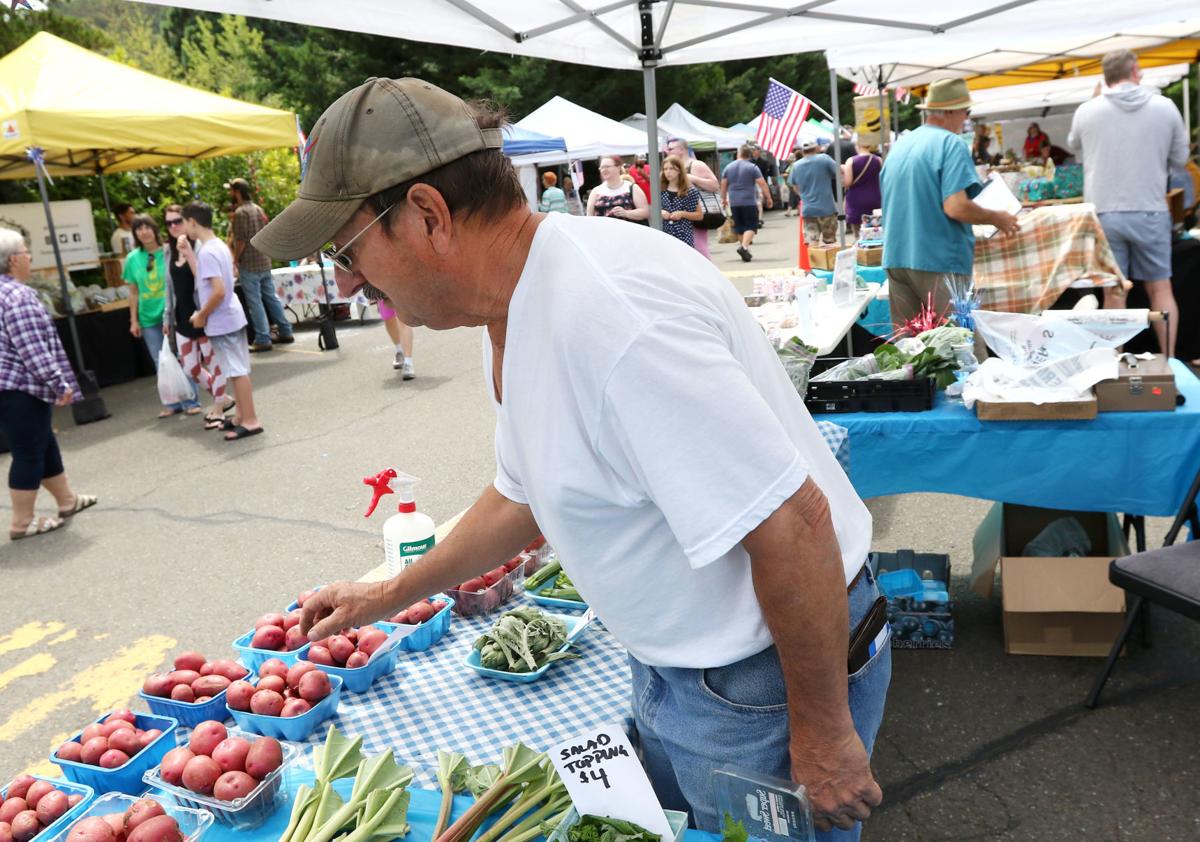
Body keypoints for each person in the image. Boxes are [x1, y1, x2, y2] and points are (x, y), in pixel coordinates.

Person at [254, 77, 888, 842]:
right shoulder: (521, 303)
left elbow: (792, 524)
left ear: (428, 215)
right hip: (687, 670)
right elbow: (523, 495)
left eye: (347, 250)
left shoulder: (614, 323)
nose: (348, 282)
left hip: (761, 681)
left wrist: (822, 733)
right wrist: (384, 595)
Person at [1068, 49, 1188, 358]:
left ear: (1105, 77)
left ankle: (1113, 364)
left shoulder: (1087, 110)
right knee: (1160, 289)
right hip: (1150, 209)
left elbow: (1075, 149)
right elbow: (1180, 160)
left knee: (1114, 292)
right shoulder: (1166, 107)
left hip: (1104, 212)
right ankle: (1170, 361)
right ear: (1136, 70)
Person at [881, 78, 1020, 329]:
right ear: (949, 112)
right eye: (966, 112)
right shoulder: (951, 143)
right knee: (959, 344)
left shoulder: (900, 146)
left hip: (896, 257)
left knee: (912, 351)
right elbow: (955, 206)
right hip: (937, 259)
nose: (966, 118)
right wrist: (998, 217)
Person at [0, 228, 97, 540]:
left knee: (43, 442)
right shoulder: (18, 296)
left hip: (8, 388)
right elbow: (32, 349)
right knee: (29, 450)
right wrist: (59, 382)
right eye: (27, 252)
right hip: (19, 389)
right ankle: (21, 522)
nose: (30, 257)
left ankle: (67, 500)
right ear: (14, 260)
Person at [182, 201, 263, 441]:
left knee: (237, 372)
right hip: (232, 316)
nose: (185, 227)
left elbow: (217, 290)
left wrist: (201, 315)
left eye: (185, 222)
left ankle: (249, 420)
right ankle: (241, 416)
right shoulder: (218, 246)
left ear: (193, 222)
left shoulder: (207, 251)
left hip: (222, 320)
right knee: (236, 370)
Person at [123, 214, 201, 418]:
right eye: (138, 228)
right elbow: (133, 291)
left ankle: (191, 400)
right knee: (161, 361)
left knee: (182, 357)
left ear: (155, 229)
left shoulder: (168, 250)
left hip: (172, 313)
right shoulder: (132, 259)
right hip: (147, 317)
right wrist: (133, 320)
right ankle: (171, 402)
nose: (143, 232)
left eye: (147, 227)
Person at [162, 205, 230, 429]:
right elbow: (168, 289)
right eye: (169, 223)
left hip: (202, 313)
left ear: (188, 221)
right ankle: (223, 398)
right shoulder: (168, 251)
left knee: (213, 363)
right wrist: (166, 317)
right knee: (190, 366)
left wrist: (189, 253)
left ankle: (219, 407)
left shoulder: (200, 245)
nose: (173, 226)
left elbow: (203, 279)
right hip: (182, 317)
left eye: (177, 221)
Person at [226, 178, 295, 353]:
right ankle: (286, 330)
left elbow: (241, 241)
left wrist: (234, 259)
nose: (230, 194)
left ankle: (263, 338)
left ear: (236, 192)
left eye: (231, 191)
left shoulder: (241, 213)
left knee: (255, 302)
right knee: (271, 297)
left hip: (249, 263)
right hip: (264, 260)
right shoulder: (258, 209)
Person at [665, 138, 720, 258]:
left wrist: (693, 178)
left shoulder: (696, 165)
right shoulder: (671, 168)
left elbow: (715, 185)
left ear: (681, 150)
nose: (667, 151)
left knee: (699, 248)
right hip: (676, 216)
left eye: (670, 149)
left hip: (695, 214)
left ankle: (707, 274)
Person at [722, 144, 772, 262]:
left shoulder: (728, 167)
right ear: (749, 155)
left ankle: (745, 250)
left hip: (734, 202)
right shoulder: (752, 167)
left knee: (739, 227)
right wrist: (768, 198)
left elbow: (723, 184)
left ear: (738, 153)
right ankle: (744, 247)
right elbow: (762, 183)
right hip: (748, 201)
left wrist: (723, 198)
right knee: (751, 226)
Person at [788, 140, 840, 246]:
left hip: (808, 210)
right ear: (816, 148)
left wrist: (803, 196)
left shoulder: (796, 165)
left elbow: (794, 186)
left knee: (813, 242)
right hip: (827, 209)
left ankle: (815, 262)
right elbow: (839, 172)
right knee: (829, 242)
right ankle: (828, 262)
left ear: (802, 151)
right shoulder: (824, 159)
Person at [586, 155, 649, 222]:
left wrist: (626, 213)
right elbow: (589, 218)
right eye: (602, 167)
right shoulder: (596, 191)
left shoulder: (632, 188)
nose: (604, 170)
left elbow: (645, 212)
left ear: (618, 167)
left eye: (607, 167)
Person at [659, 155, 703, 250]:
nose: (668, 172)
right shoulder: (660, 189)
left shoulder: (690, 191)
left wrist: (682, 214)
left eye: (672, 169)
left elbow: (699, 215)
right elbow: (651, 208)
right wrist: (660, 212)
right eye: (665, 169)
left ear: (679, 170)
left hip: (683, 235)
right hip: (664, 234)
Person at [842, 143, 883, 235]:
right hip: (876, 199)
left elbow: (847, 182)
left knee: (858, 234)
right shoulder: (879, 160)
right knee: (876, 231)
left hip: (856, 201)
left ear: (858, 146)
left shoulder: (851, 161)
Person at [379, 298, 415, 379]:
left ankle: (408, 362)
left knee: (403, 319)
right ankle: (399, 351)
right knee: (388, 317)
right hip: (382, 287)